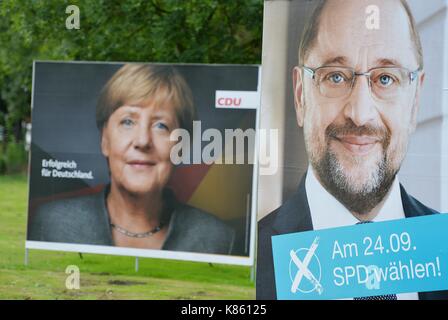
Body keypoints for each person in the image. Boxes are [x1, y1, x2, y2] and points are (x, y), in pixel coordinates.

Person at [257, 0, 448, 299]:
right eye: (335, 76)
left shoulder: (443, 250)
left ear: (414, 102)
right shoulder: (251, 260)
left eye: (386, 78)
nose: (360, 114)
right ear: (300, 96)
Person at [29, 64, 235, 255]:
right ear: (105, 140)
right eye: (128, 122)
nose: (143, 140)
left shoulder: (217, 239)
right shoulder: (52, 223)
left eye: (161, 126)